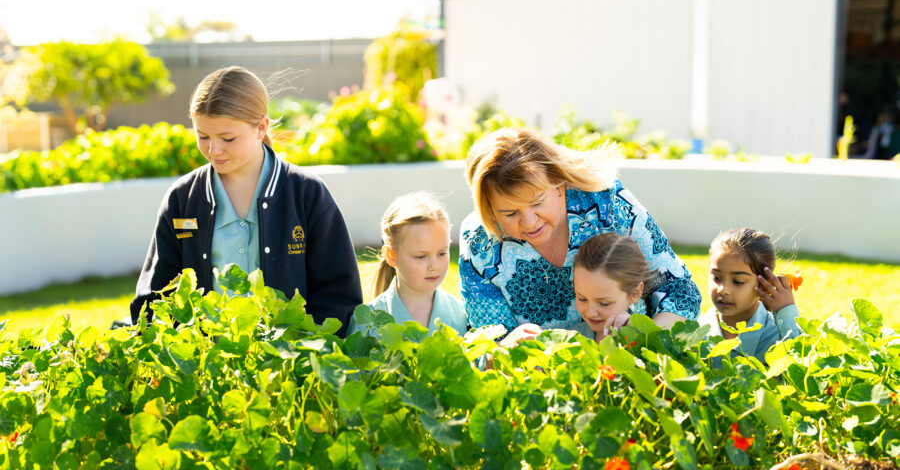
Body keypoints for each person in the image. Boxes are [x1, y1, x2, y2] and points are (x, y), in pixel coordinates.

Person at [131, 66, 362, 335]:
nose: (214, 150)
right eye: (203, 136)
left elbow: (339, 298)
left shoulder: (308, 194)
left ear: (261, 128)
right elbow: (153, 299)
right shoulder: (182, 198)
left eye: (228, 138)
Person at [459, 128, 701, 346]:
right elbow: (485, 343)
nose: (530, 222)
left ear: (557, 184)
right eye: (510, 213)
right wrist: (506, 347)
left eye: (537, 203)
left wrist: (641, 342)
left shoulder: (607, 203)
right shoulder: (479, 242)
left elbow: (680, 290)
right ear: (489, 208)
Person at [348, 192, 467, 336]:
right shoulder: (365, 325)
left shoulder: (464, 316)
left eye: (442, 253)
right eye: (421, 256)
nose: (434, 266)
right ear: (391, 256)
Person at [698, 227, 801, 364]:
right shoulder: (695, 332)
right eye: (716, 278)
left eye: (738, 281)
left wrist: (787, 313)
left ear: (764, 285)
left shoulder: (777, 334)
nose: (723, 289)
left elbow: (802, 362)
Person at [570, 232, 659, 342]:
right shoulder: (567, 341)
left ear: (635, 293)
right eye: (582, 299)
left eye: (604, 303)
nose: (590, 312)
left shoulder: (645, 341)